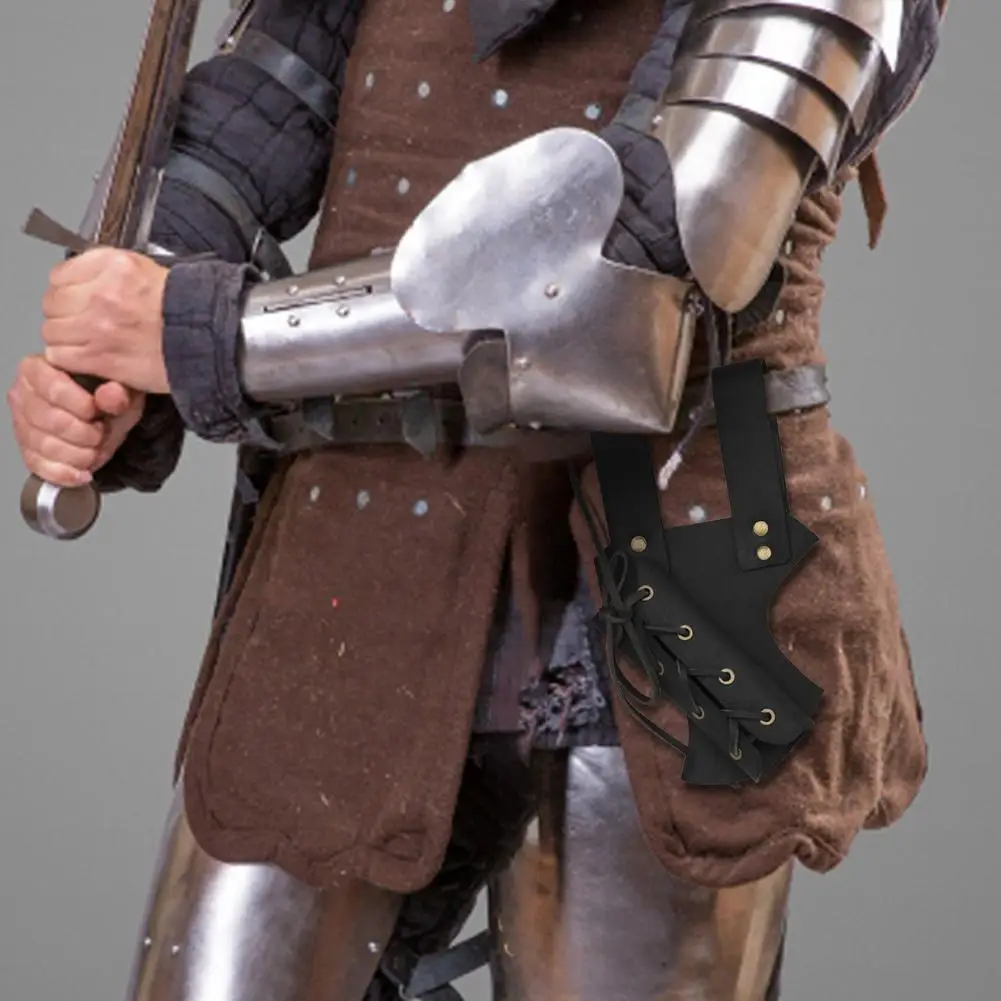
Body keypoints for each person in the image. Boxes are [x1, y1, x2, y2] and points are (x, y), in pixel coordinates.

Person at [7, 1, 946, 998]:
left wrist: (205, 336)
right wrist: (120, 354)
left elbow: (617, 276)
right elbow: (240, 131)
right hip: (357, 545)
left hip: (675, 561)